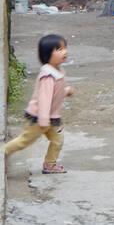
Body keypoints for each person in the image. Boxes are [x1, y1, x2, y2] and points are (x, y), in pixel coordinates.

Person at [4, 34, 74, 174]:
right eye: (59, 49)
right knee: (24, 141)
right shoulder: (48, 76)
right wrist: (43, 119)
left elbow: (55, 93)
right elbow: (44, 99)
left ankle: (50, 164)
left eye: (65, 48)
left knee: (57, 140)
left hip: (51, 119)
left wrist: (65, 91)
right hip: (39, 118)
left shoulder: (58, 71)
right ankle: (3, 152)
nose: (64, 52)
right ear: (47, 55)